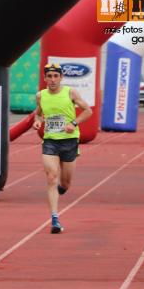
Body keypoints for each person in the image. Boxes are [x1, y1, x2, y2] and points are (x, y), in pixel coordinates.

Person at [32, 63, 93, 234]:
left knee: (65, 183)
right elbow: (38, 113)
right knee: (51, 177)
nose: (52, 80)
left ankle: (62, 189)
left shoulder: (70, 93)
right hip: (50, 141)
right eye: (49, 76)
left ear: (61, 78)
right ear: (45, 78)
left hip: (69, 141)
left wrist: (73, 123)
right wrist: (37, 121)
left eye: (55, 76)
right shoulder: (40, 95)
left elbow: (88, 111)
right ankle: (55, 219)